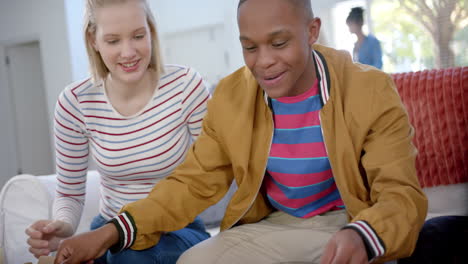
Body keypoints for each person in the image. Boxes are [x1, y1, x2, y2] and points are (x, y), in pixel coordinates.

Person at [53, 0, 428, 263]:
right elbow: (192, 184)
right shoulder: (232, 96)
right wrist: (109, 233)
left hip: (348, 218)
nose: (264, 62)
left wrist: (363, 235)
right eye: (249, 47)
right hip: (275, 224)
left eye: (279, 43)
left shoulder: (370, 89)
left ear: (312, 31)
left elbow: (400, 194)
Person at [25, 0, 211, 263]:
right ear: (94, 40)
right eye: (113, 41)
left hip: (177, 228)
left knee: (129, 256)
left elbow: (212, 174)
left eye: (138, 36)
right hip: (107, 229)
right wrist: (62, 227)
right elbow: (69, 193)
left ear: (151, 31)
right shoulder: (75, 103)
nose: (128, 52)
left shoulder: (185, 87)